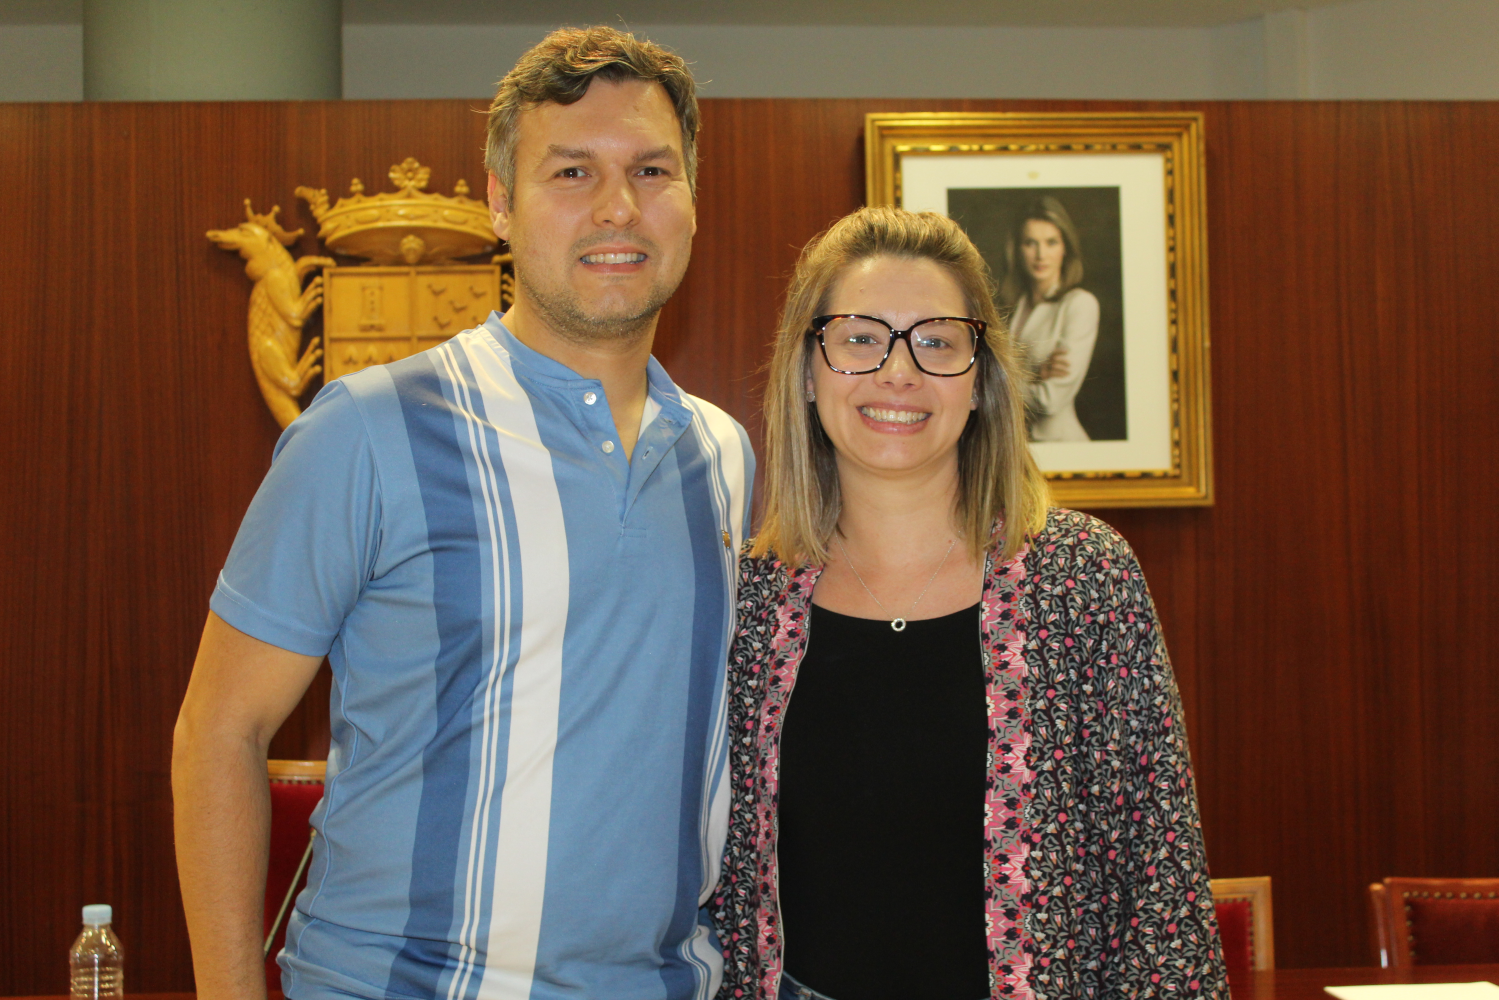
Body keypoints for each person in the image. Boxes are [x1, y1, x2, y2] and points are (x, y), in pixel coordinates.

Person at [173, 26, 754, 1000]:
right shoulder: (365, 431)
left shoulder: (724, 455)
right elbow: (218, 734)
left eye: (652, 170)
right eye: (571, 171)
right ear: (499, 202)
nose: (618, 205)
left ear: (692, 200)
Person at [710, 207, 1225, 1000]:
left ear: (981, 379)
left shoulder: (1079, 578)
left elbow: (1160, 877)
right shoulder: (749, 601)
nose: (898, 371)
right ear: (807, 373)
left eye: (937, 342)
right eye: (859, 338)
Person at [1001, 196, 1100, 442]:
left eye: (1051, 242)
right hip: (1015, 446)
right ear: (1017, 249)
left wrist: (996, 384)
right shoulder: (1011, 306)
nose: (1041, 254)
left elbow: (1050, 400)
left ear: (1065, 248)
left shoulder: (1079, 304)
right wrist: (1033, 376)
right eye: (1030, 243)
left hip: (1061, 444)